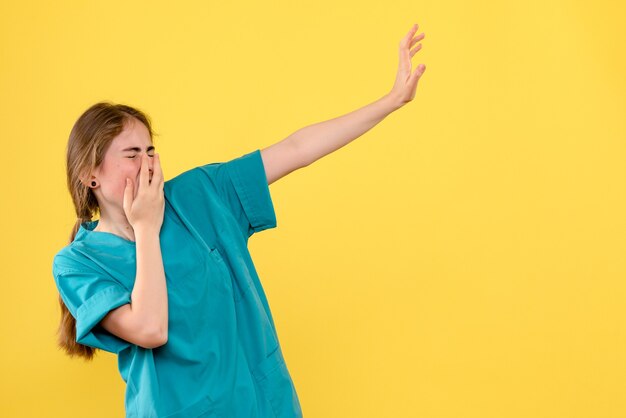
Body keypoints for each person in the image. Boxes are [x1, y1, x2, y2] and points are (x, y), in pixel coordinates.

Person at [51, 23, 426, 418]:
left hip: (261, 405)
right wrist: (144, 227)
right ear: (90, 174)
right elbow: (150, 329)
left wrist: (391, 101)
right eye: (131, 154)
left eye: (151, 150)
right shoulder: (78, 263)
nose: (148, 164)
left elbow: (296, 149)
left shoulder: (199, 194)